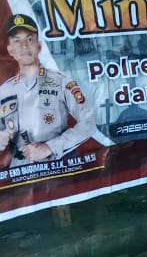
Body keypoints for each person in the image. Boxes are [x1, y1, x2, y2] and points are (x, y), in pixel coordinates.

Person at [0, 13, 96, 169]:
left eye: (29, 39)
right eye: (17, 41)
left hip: (58, 166)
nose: (24, 45)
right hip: (18, 170)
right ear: (10, 49)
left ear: (38, 45)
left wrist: (50, 147)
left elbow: (89, 122)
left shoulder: (61, 81)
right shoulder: (4, 91)